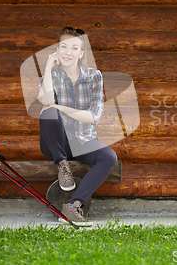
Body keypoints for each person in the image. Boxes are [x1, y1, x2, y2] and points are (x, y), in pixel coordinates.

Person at [37, 27, 117, 226]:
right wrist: (47, 67)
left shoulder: (94, 76)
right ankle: (63, 167)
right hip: (56, 144)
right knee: (48, 112)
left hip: (83, 140)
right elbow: (46, 102)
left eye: (74, 48)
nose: (67, 52)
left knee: (109, 157)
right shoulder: (51, 76)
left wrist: (59, 106)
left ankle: (73, 206)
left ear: (81, 53)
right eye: (63, 46)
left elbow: (93, 117)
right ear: (57, 50)